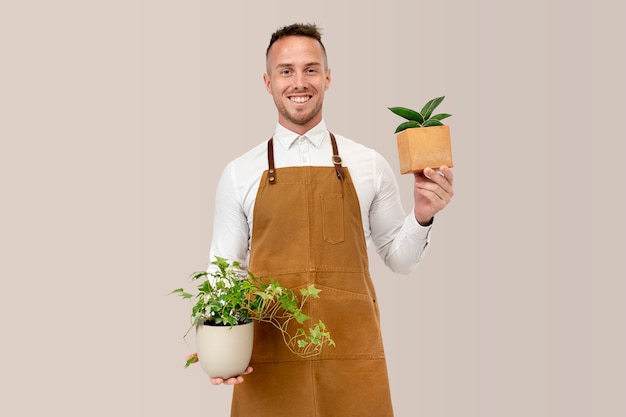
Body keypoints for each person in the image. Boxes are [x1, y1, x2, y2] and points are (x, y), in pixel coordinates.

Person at [204, 22, 454, 417]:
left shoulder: (369, 164)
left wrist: (422, 217)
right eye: (286, 71)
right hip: (269, 361)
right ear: (268, 82)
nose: (299, 82)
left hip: (352, 360)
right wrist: (218, 349)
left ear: (328, 77)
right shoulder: (238, 173)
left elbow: (400, 260)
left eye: (311, 69)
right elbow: (224, 272)